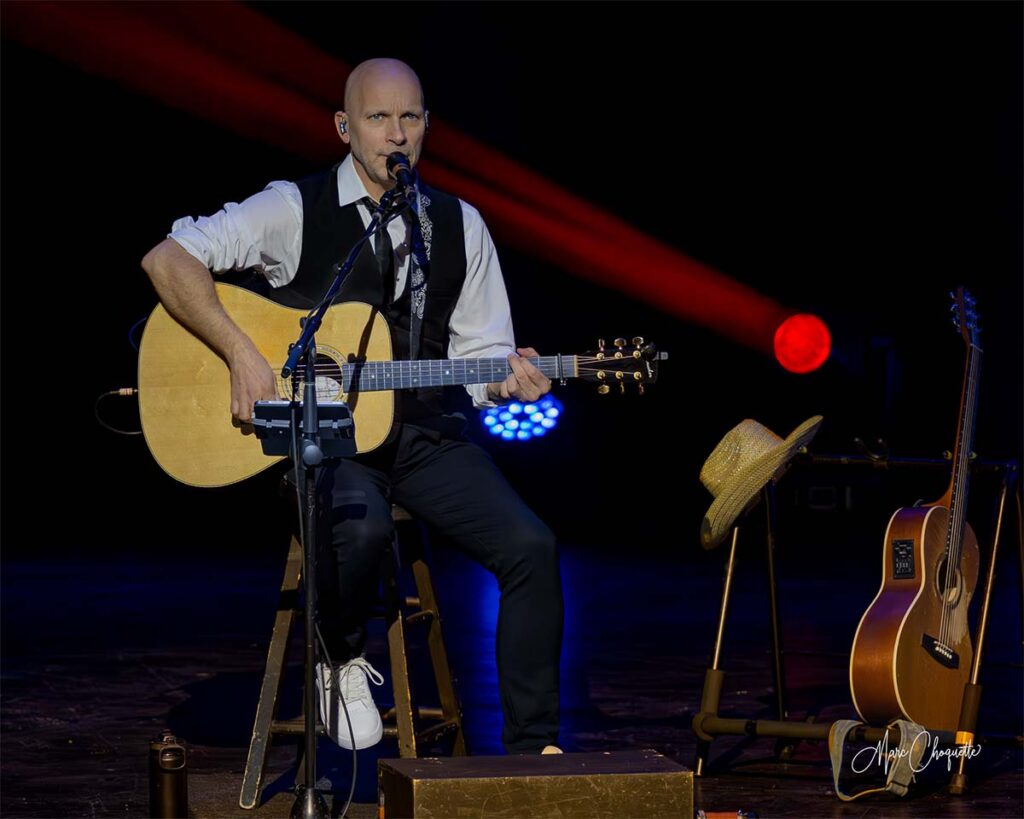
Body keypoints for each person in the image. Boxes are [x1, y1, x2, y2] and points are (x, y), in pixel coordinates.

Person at [141, 58, 563, 754]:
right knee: (360, 529)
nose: (396, 135)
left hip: (426, 438)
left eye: (410, 118)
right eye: (378, 118)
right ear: (344, 127)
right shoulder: (295, 207)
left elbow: (483, 350)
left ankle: (532, 750)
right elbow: (168, 260)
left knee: (532, 546)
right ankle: (339, 656)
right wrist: (243, 353)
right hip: (327, 438)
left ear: (427, 125)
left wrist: (509, 378)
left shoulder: (462, 225)